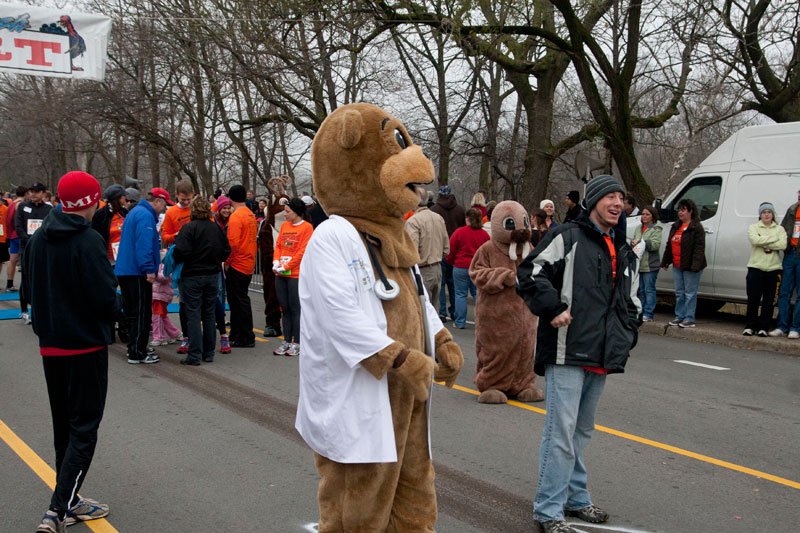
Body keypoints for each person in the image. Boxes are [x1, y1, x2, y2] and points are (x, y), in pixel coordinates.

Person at [517, 174, 640, 533]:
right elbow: (529, 273)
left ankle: (575, 498)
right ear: (594, 202)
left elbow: (631, 301)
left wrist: (627, 334)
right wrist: (553, 308)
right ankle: (548, 512)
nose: (617, 203)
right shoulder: (566, 236)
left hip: (602, 355)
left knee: (580, 432)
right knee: (561, 432)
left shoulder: (623, 247)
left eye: (621, 198)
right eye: (610, 197)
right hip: (567, 351)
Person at [23, 171, 119, 533]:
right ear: (92, 201)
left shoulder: (38, 240)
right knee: (84, 429)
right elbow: (103, 296)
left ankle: (70, 499)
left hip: (51, 346)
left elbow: (28, 291)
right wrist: (118, 313)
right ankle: (57, 509)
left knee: (64, 428)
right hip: (84, 346)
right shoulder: (88, 241)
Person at [115, 188, 174, 363]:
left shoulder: (136, 212)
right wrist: (149, 269)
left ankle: (135, 347)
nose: (163, 209)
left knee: (134, 312)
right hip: (137, 272)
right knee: (141, 312)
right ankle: (138, 352)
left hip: (127, 270)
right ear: (158, 201)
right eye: (164, 205)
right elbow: (144, 244)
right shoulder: (145, 216)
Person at [173, 196, 231, 364]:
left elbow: (180, 252)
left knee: (193, 314)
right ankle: (208, 352)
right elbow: (226, 250)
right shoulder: (216, 228)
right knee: (209, 313)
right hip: (212, 274)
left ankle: (195, 354)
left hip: (192, 275)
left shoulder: (188, 228)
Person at [271, 197, 313, 356]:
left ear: (296, 212)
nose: (285, 214)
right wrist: (276, 262)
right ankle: (286, 340)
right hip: (280, 273)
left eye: (287, 211)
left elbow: (302, 252)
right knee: (285, 309)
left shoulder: (307, 228)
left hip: (295, 274)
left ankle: (297, 342)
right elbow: (279, 245)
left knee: (296, 309)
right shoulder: (284, 226)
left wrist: (286, 266)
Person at [660, 198, 707, 328]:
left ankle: (689, 318)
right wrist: (665, 261)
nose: (680, 213)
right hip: (677, 264)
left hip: (691, 265)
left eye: (683, 210)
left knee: (690, 292)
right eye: (679, 210)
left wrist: (695, 266)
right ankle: (679, 316)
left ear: (691, 211)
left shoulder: (696, 227)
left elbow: (699, 248)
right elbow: (669, 245)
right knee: (679, 292)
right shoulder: (675, 226)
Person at [740, 203, 785, 336]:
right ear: (760, 214)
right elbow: (754, 240)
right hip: (756, 267)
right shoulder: (753, 227)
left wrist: (763, 240)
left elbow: (782, 244)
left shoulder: (780, 229)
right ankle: (750, 326)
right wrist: (773, 239)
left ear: (772, 215)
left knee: (769, 300)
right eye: (764, 212)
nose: (766, 214)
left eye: (769, 212)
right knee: (753, 299)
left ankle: (763, 327)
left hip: (773, 268)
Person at [161, 180, 194, 353]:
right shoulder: (172, 212)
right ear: (176, 195)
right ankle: (186, 336)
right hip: (181, 260)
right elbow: (165, 236)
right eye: (183, 200)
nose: (186, 203)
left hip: (198, 260)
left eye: (189, 200)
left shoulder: (198, 209)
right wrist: (176, 235)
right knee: (184, 300)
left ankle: (200, 335)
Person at [405, 186, 450, 308]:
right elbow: (446, 248)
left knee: (422, 312)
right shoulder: (438, 218)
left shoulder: (413, 222)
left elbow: (411, 252)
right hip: (437, 269)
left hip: (422, 270)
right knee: (433, 312)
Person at [15, 182, 53, 324]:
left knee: (42, 278)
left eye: (36, 191)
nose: (33, 194)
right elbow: (18, 226)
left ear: (43, 193)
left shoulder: (48, 209)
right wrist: (29, 240)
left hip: (42, 249)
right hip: (26, 248)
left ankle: (41, 308)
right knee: (26, 279)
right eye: (31, 191)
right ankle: (24, 311)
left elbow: (50, 227)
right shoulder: (23, 207)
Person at [225, 185, 258, 347]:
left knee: (238, 301)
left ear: (231, 198)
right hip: (248, 261)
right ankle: (237, 333)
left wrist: (227, 262)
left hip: (238, 263)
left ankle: (245, 335)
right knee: (240, 299)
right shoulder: (250, 214)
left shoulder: (236, 217)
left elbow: (232, 243)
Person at [446, 208, 490, 329]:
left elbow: (451, 250)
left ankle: (460, 321)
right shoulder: (484, 235)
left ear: (467, 219)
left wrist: (451, 262)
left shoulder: (459, 232)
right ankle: (481, 322)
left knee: (460, 294)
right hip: (478, 267)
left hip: (460, 266)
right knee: (478, 294)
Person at [430, 185, 466, 321]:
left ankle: (442, 312)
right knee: (454, 284)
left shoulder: (433, 211)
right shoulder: (460, 210)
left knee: (441, 283)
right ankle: (455, 311)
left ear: (439, 195)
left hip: (439, 250)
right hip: (456, 251)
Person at [770, 189, 800, 338]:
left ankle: (796, 328)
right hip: (790, 254)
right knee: (784, 292)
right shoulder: (792, 209)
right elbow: (782, 230)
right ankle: (781, 326)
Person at [631, 206, 663, 322]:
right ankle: (641, 311)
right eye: (643, 214)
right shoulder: (638, 228)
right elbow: (634, 241)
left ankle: (648, 313)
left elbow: (655, 244)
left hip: (650, 264)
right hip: (639, 264)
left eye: (647, 214)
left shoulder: (656, 228)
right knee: (641, 290)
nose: (644, 216)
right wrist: (633, 243)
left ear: (653, 216)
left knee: (649, 289)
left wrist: (640, 242)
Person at [91, 184, 128, 264]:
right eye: (123, 196)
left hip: (126, 256)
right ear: (117, 198)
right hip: (108, 259)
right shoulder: (100, 215)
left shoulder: (124, 212)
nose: (126, 198)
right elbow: (95, 239)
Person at [214, 195, 233, 352]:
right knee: (218, 289)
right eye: (224, 208)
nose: (226, 211)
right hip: (217, 259)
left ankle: (222, 316)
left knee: (225, 289)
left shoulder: (231, 221)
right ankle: (217, 316)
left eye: (228, 208)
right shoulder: (214, 222)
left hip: (228, 258)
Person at [149, 262, 183, 346]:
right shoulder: (159, 264)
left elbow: (164, 278)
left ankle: (159, 338)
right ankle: (175, 333)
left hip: (161, 295)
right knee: (162, 316)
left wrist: (153, 272)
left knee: (157, 316)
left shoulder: (166, 264)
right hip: (158, 294)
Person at [4, 186, 26, 291]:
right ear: (26, 193)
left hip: (11, 234)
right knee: (24, 259)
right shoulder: (20, 205)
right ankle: (25, 285)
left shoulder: (11, 203)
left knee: (12, 259)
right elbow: (18, 220)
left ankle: (9, 283)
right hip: (18, 234)